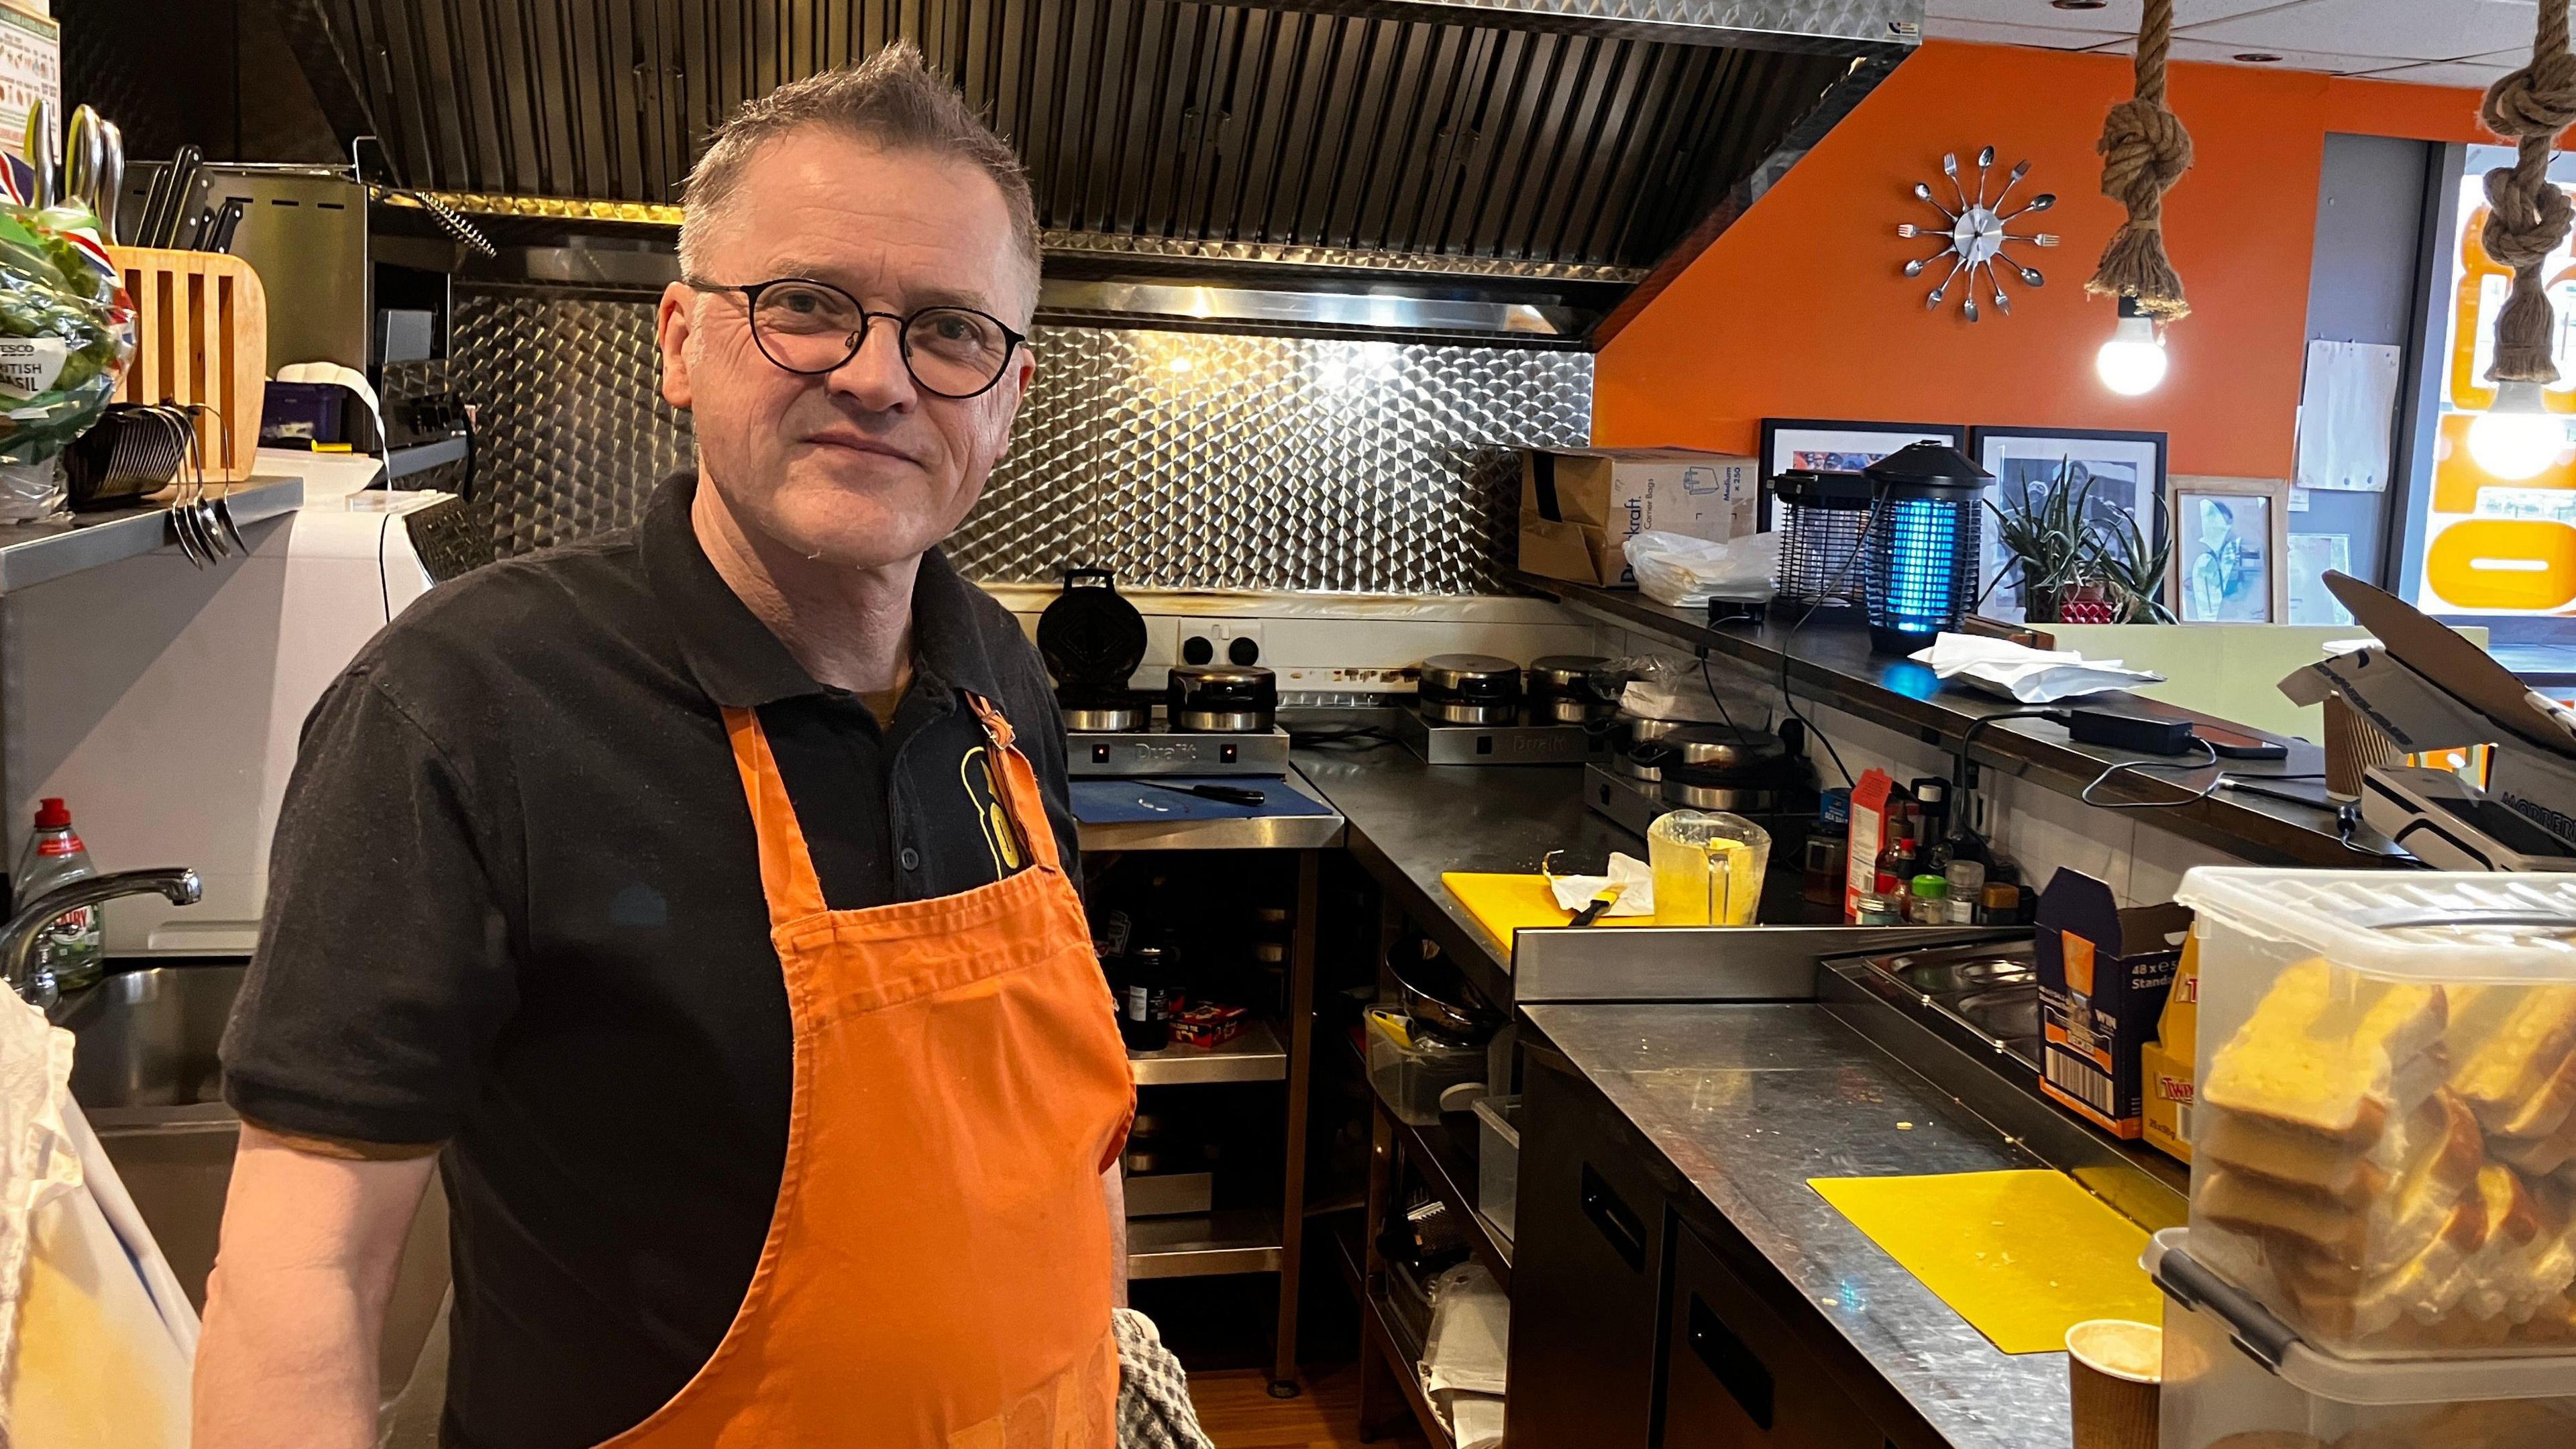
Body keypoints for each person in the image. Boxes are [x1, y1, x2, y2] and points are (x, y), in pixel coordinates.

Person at [193, 43, 1134, 1449]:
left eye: (949, 331)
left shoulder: (999, 675)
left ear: (1006, 396)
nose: (881, 378)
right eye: (808, 307)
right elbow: (305, 1268)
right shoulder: (465, 707)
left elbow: (1063, 1149)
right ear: (682, 343)